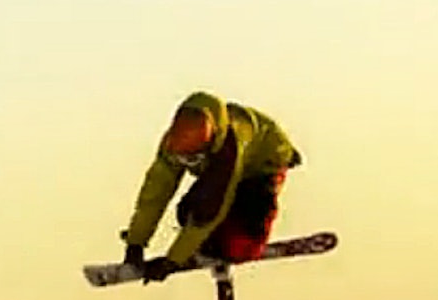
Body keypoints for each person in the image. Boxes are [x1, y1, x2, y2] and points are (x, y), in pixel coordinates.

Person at [121, 90, 303, 283]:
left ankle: (242, 245)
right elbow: (155, 194)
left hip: (261, 167)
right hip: (220, 170)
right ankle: (213, 243)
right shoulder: (173, 145)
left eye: (193, 159)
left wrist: (172, 261)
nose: (187, 162)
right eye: (183, 160)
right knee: (186, 212)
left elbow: (210, 207)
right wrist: (136, 243)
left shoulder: (229, 148)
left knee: (230, 224)